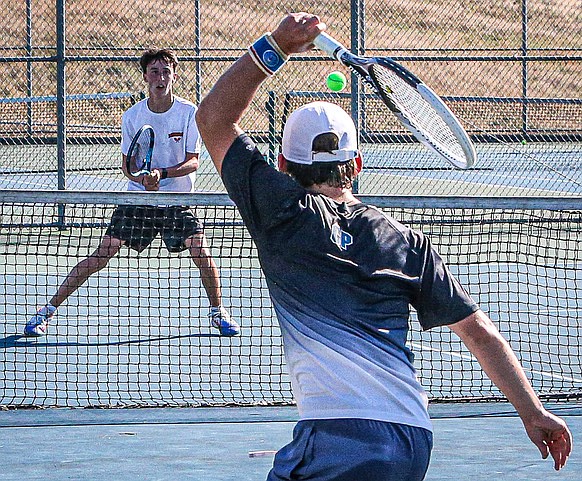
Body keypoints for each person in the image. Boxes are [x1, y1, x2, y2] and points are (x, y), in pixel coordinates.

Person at [195, 12, 572, 481]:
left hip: (337, 438)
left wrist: (275, 46)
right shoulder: (407, 241)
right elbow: (479, 333)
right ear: (355, 165)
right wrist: (534, 413)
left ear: (283, 166)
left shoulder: (280, 212)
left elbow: (212, 119)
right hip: (412, 438)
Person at [25, 48, 240, 338]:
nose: (160, 77)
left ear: (174, 76)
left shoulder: (190, 113)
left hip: (177, 202)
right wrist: (141, 179)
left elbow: (194, 160)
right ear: (145, 77)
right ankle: (46, 312)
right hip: (138, 201)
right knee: (102, 254)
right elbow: (128, 166)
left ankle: (218, 312)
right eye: (154, 72)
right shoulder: (132, 116)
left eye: (166, 71)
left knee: (201, 253)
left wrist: (162, 175)